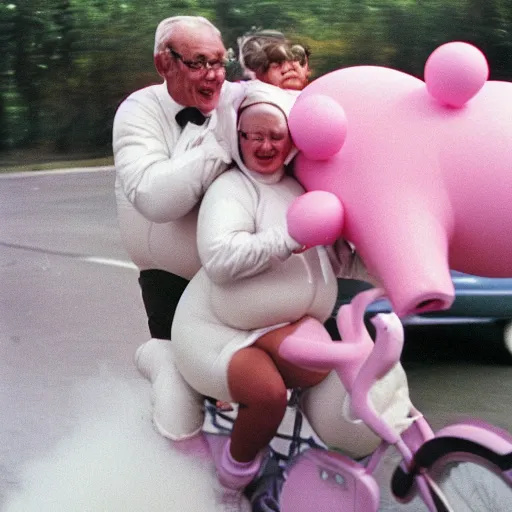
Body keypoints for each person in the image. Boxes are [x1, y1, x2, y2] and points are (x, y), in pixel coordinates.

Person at [170, 81, 385, 510]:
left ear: (291, 141)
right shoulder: (231, 189)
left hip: (281, 326)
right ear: (239, 137)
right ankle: (229, 484)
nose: (266, 144)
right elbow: (219, 259)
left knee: (328, 374)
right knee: (267, 393)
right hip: (217, 329)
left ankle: (297, 463)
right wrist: (288, 236)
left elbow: (333, 259)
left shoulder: (299, 186)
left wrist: (388, 267)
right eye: (255, 135)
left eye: (276, 135)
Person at [113, 18, 315, 443]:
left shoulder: (238, 98)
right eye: (199, 63)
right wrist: (221, 142)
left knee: (292, 374)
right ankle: (180, 479)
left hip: (246, 272)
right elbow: (155, 198)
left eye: (220, 62)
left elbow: (287, 117)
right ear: (163, 63)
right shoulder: (139, 111)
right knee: (180, 401)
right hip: (174, 277)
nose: (215, 74)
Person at [237, 30, 311, 90]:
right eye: (276, 64)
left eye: (295, 58)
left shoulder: (318, 92)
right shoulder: (249, 98)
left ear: (308, 70)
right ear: (257, 74)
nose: (287, 68)